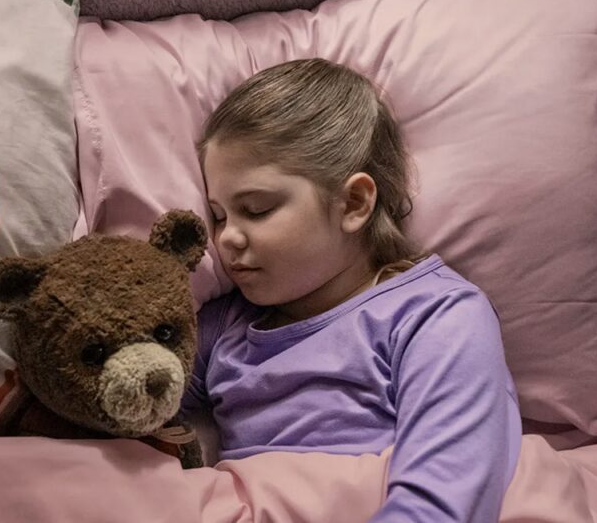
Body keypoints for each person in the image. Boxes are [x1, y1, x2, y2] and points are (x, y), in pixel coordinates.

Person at [181, 58, 522, 522]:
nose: (226, 239)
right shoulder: (225, 328)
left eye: (256, 209)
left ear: (354, 203)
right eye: (219, 215)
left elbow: (447, 497)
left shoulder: (435, 316)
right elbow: (113, 397)